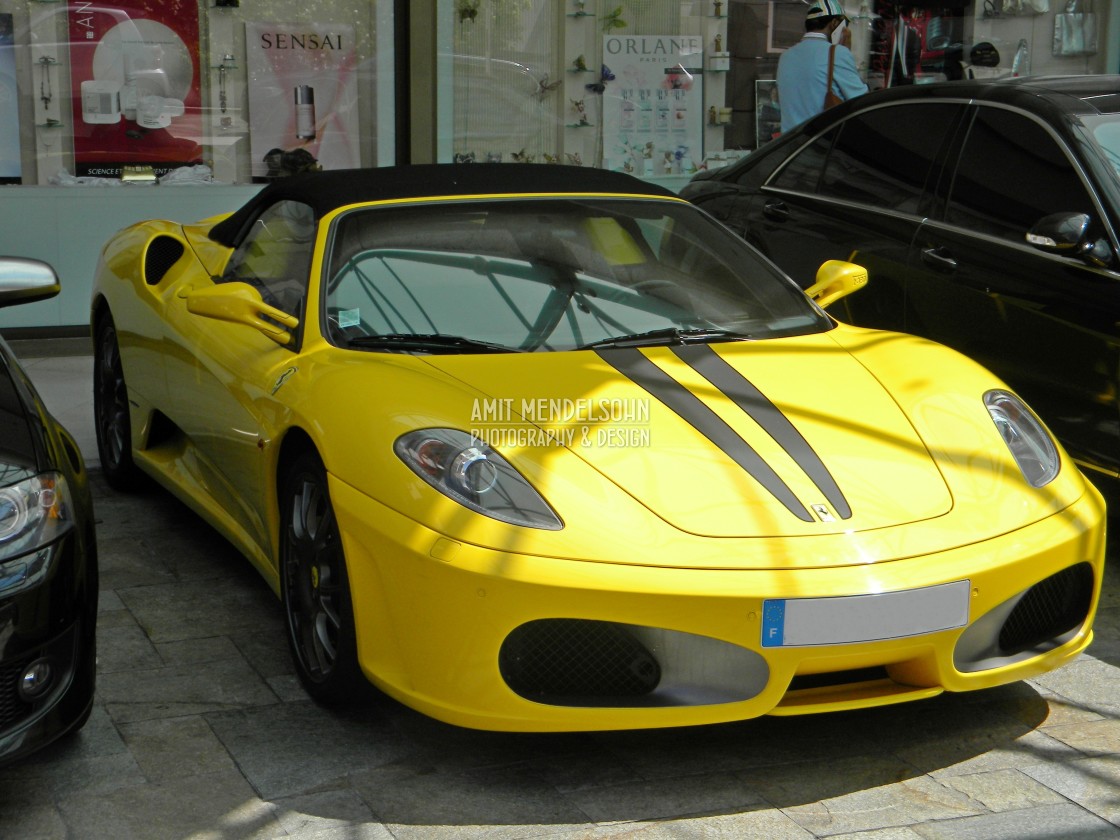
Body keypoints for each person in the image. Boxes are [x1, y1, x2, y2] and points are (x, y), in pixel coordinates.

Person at [776, 0, 867, 133]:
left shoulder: (785, 56)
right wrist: (846, 51)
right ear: (834, 23)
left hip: (792, 144)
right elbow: (861, 100)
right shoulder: (838, 53)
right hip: (820, 145)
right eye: (843, 24)